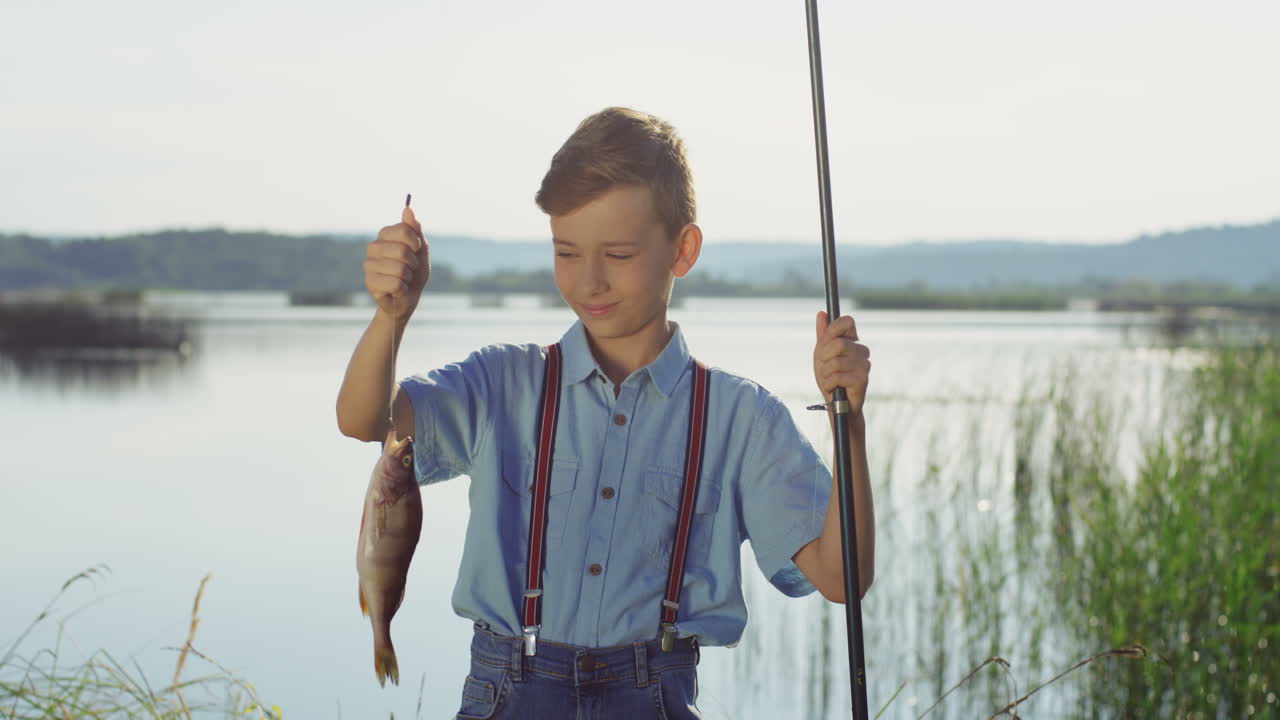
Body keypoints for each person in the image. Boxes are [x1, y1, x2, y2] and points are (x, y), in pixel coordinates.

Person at [336, 107, 874, 719]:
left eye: (617, 254)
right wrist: (392, 315)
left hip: (654, 696)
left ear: (683, 250)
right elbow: (363, 420)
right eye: (567, 252)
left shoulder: (740, 417)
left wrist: (849, 425)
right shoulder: (502, 381)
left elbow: (842, 577)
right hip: (506, 691)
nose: (589, 281)